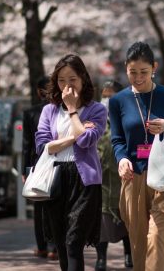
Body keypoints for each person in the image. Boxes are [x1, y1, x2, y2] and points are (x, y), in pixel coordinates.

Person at [109, 41, 164, 271]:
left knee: (158, 235)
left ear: (154, 67)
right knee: (139, 242)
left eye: (143, 72)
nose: (138, 77)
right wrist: (121, 158)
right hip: (134, 177)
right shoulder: (118, 101)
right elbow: (117, 140)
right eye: (132, 72)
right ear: (126, 68)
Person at [35, 54, 107, 271]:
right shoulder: (49, 110)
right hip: (56, 178)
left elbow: (86, 140)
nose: (67, 85)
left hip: (84, 180)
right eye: (61, 80)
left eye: (72, 79)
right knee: (61, 243)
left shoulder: (97, 110)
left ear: (83, 79)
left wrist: (72, 109)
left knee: (73, 242)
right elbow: (43, 146)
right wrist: (72, 136)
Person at [95, 80, 133, 270]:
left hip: (124, 179)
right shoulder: (96, 120)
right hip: (102, 180)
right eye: (104, 95)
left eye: (111, 96)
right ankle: (101, 258)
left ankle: (129, 254)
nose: (107, 99)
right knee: (102, 223)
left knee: (126, 219)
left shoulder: (127, 117)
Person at [22, 77, 58, 260]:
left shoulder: (30, 113)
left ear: (38, 92)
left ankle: (42, 246)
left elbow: (27, 145)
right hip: (59, 163)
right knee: (57, 205)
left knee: (39, 207)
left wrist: (25, 170)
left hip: (38, 165)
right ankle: (55, 247)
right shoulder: (60, 110)